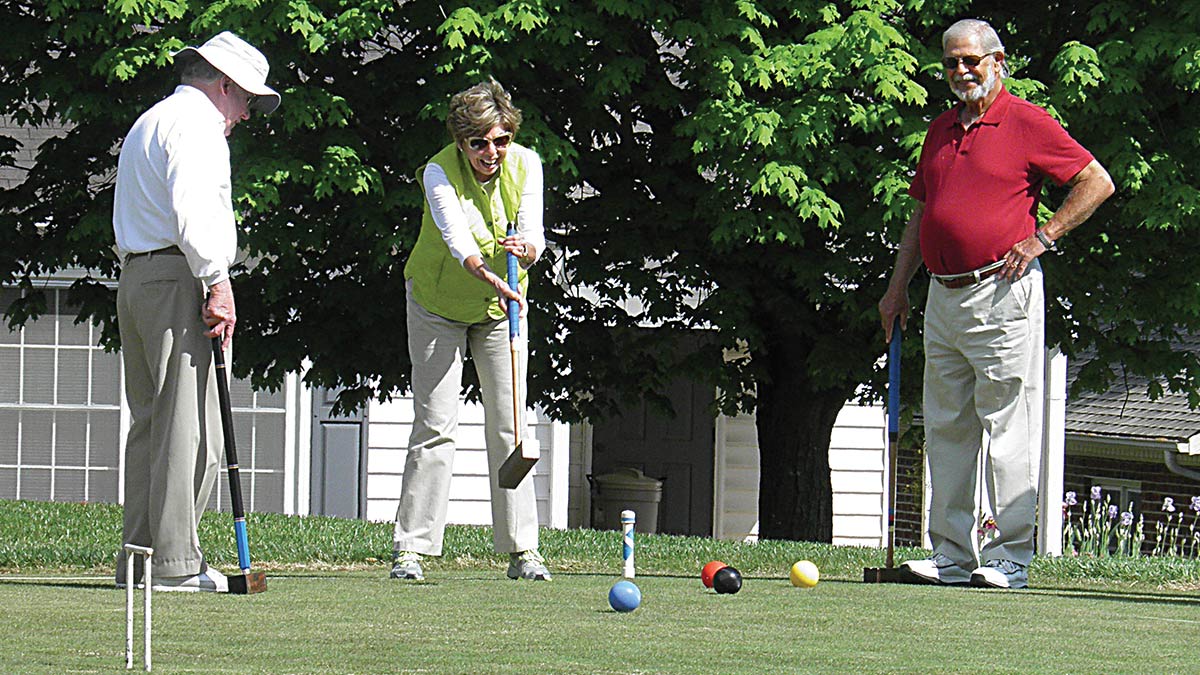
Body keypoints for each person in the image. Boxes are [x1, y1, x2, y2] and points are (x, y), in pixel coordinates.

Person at [878, 19, 1114, 589]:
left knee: (1007, 425)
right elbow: (921, 213)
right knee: (947, 428)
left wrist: (1043, 236)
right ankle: (953, 557)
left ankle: (1011, 557)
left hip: (1002, 292)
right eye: (951, 62)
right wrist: (896, 286)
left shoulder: (1027, 121)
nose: (961, 71)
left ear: (997, 60)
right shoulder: (939, 129)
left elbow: (1096, 181)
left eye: (971, 61)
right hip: (942, 295)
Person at [113, 32, 281, 593]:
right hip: (177, 277)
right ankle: (175, 564)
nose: (248, 115)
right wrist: (217, 281)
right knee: (190, 428)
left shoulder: (151, 119)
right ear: (224, 85)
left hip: (139, 276)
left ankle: (138, 563)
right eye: (248, 102)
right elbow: (194, 211)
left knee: (154, 426)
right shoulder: (198, 128)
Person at [391, 78, 550, 582]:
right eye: (479, 142)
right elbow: (457, 237)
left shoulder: (527, 164)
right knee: (436, 424)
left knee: (511, 426)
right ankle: (412, 550)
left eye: (500, 140)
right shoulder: (439, 170)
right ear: (462, 140)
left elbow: (534, 233)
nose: (491, 151)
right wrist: (486, 271)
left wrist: (526, 250)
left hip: (502, 307)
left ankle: (523, 550)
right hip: (438, 299)